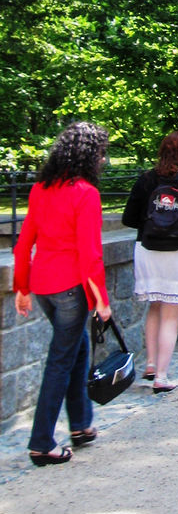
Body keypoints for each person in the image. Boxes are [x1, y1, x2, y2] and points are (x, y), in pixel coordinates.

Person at [13, 121, 111, 466]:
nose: (103, 160)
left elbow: (23, 243)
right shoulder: (86, 193)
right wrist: (102, 301)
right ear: (88, 155)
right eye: (100, 153)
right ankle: (41, 442)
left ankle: (81, 425)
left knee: (76, 348)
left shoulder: (41, 188)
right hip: (71, 288)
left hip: (43, 287)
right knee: (59, 361)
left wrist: (22, 288)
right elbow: (90, 255)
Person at [121, 130, 178, 391]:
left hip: (148, 250)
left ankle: (150, 363)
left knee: (154, 306)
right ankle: (161, 376)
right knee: (171, 315)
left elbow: (128, 219)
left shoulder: (146, 179)